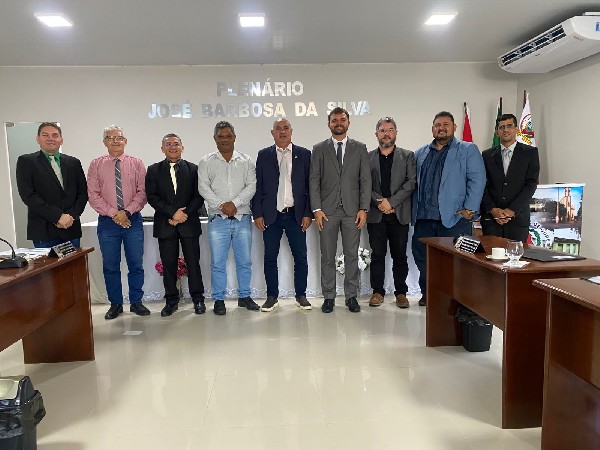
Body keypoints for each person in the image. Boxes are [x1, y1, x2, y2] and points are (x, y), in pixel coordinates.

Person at [411, 111, 486, 306]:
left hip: (454, 218)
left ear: (454, 127)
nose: (441, 128)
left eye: (446, 124)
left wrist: (470, 209)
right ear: (432, 129)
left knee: (455, 261)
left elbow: (477, 180)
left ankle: (454, 297)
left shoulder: (467, 149)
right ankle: (428, 293)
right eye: (437, 125)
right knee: (423, 257)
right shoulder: (420, 153)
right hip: (424, 217)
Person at [309, 107, 371, 313]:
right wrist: (317, 209)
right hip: (327, 212)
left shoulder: (360, 148)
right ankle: (328, 297)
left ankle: (351, 296)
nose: (338, 123)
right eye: (334, 120)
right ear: (329, 124)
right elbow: (314, 181)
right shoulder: (319, 149)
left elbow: (365, 181)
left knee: (352, 255)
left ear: (348, 123)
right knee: (327, 256)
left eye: (342, 120)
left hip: (353, 211)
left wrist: (364, 208)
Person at [88, 125, 150, 320]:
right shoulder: (96, 164)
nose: (115, 141)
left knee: (136, 264)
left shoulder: (137, 163)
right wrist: (115, 214)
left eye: (119, 137)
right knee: (110, 265)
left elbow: (143, 192)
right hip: (108, 223)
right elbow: (93, 195)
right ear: (104, 142)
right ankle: (115, 304)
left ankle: (136, 302)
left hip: (133, 220)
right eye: (110, 137)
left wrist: (127, 212)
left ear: (125, 141)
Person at [252, 118, 313, 312]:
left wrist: (308, 213)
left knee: (300, 257)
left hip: (296, 214)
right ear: (273, 133)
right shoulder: (264, 155)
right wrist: (257, 213)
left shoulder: (304, 154)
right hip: (272, 215)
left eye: (286, 128)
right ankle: (272, 297)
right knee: (270, 257)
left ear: (291, 131)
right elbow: (257, 186)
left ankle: (301, 296)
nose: (282, 131)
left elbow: (311, 187)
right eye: (278, 129)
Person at [198, 121, 257, 315]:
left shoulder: (246, 161)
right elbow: (203, 188)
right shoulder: (206, 161)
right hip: (218, 219)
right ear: (215, 139)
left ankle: (245, 297)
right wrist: (222, 205)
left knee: (245, 261)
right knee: (218, 263)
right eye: (220, 137)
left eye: (228, 136)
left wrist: (235, 203)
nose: (225, 140)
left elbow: (252, 186)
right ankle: (219, 299)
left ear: (234, 137)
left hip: (242, 218)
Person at [145, 133, 206, 317]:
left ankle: (198, 298)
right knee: (169, 264)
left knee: (193, 263)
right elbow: (152, 197)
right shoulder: (153, 170)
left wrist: (183, 215)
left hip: (189, 223)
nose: (172, 147)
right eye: (168, 144)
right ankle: (171, 300)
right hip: (166, 224)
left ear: (182, 147)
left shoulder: (193, 169)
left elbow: (199, 195)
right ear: (162, 148)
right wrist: (173, 213)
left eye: (176, 144)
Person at [366, 117, 416, 308]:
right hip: (376, 214)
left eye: (390, 130)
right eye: (382, 130)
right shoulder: (367, 157)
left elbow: (411, 182)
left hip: (399, 214)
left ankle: (401, 293)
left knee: (400, 256)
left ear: (396, 133)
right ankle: (377, 292)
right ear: (376, 134)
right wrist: (381, 202)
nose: (386, 134)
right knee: (377, 255)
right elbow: (364, 185)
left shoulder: (408, 156)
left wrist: (391, 202)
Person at [16, 122, 88, 248]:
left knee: (75, 262)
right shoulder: (26, 161)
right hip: (44, 231)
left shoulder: (74, 163)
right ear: (38, 139)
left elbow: (83, 193)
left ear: (61, 140)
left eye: (55, 135)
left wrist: (70, 216)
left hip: (71, 228)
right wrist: (57, 216)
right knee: (48, 263)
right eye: (45, 135)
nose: (50, 138)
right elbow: (28, 195)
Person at [481, 113, 540, 242]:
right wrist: (493, 209)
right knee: (490, 254)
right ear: (497, 132)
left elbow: (531, 184)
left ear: (516, 129)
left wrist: (512, 210)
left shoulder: (530, 153)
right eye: (502, 127)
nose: (505, 130)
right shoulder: (486, 155)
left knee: (515, 254)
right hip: (492, 220)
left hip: (517, 220)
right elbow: (482, 185)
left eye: (509, 126)